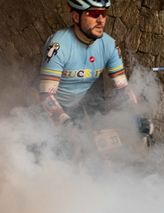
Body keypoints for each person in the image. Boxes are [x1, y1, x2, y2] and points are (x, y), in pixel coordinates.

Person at [39, 0, 153, 134]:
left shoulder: (109, 45)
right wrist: (66, 123)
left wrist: (136, 117)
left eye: (103, 14)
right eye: (94, 13)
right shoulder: (58, 46)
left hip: (81, 103)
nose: (101, 20)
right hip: (50, 108)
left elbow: (123, 89)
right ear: (76, 17)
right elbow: (46, 97)